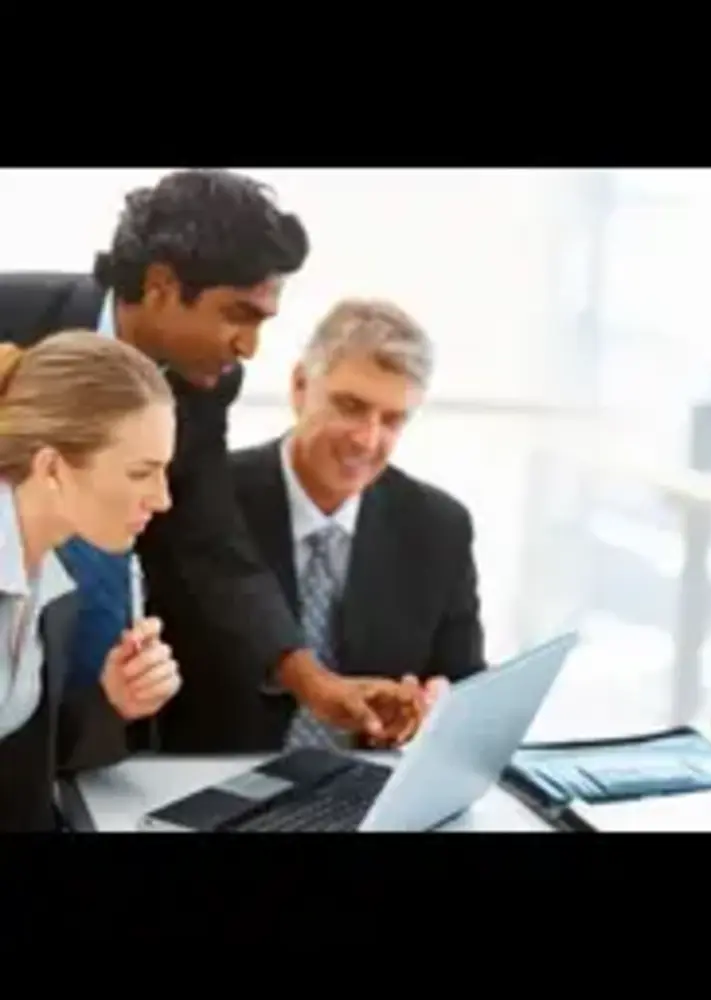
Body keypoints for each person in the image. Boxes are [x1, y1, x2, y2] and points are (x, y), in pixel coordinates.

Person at [0, 169, 423, 756]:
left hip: (97, 714)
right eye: (238, 314)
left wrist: (313, 682)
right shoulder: (13, 318)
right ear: (161, 286)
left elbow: (206, 540)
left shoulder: (204, 381)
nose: (249, 347)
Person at [171, 298, 487, 752]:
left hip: (367, 778)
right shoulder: (206, 498)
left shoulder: (439, 527)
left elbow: (462, 679)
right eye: (350, 406)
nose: (367, 439)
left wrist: (436, 704)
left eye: (392, 419)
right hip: (213, 772)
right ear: (300, 386)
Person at [0, 332, 181, 831]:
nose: (162, 498)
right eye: (141, 473)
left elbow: (22, 768)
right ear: (52, 468)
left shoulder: (51, 577)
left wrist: (112, 702)